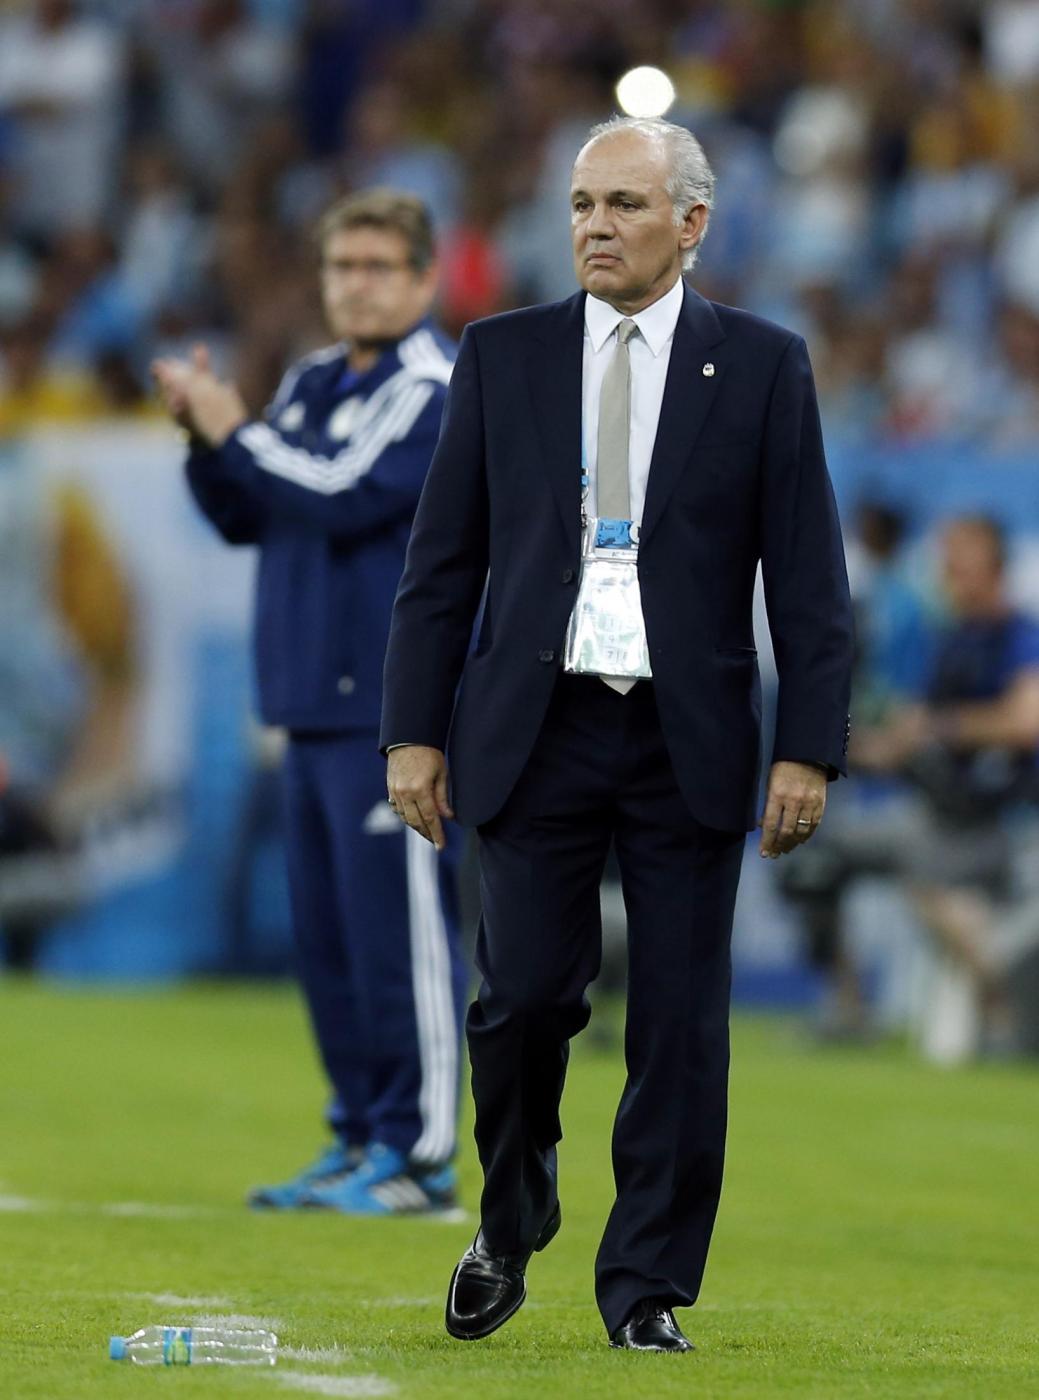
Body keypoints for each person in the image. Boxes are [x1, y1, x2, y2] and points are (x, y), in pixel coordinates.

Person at [380, 117, 853, 1351]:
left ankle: (644, 1284)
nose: (595, 226)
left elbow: (807, 574)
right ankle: (511, 1212)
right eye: (583, 204)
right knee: (519, 1003)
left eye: (625, 205)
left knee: (680, 1027)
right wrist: (411, 731)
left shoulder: (763, 365)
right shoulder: (503, 354)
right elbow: (442, 564)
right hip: (533, 729)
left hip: (685, 736)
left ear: (691, 223)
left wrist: (807, 746)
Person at [152, 190, 467, 1216]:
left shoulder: (432, 388)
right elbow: (251, 513)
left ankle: (419, 1155)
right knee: (329, 945)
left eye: (379, 266)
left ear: (423, 278)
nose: (357, 285)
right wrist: (206, 443)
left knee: (398, 938)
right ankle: (359, 1133)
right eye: (342, 267)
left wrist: (235, 429)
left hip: (393, 712)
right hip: (304, 703)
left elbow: (338, 490)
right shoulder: (313, 379)